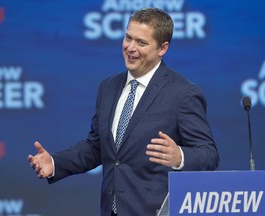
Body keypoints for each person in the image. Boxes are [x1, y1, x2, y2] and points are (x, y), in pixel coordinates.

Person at [28, 7, 219, 216]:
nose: (130, 48)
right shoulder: (108, 87)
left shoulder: (183, 93)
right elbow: (96, 148)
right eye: (128, 38)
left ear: (162, 48)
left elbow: (208, 154)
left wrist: (179, 156)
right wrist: (56, 163)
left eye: (141, 42)